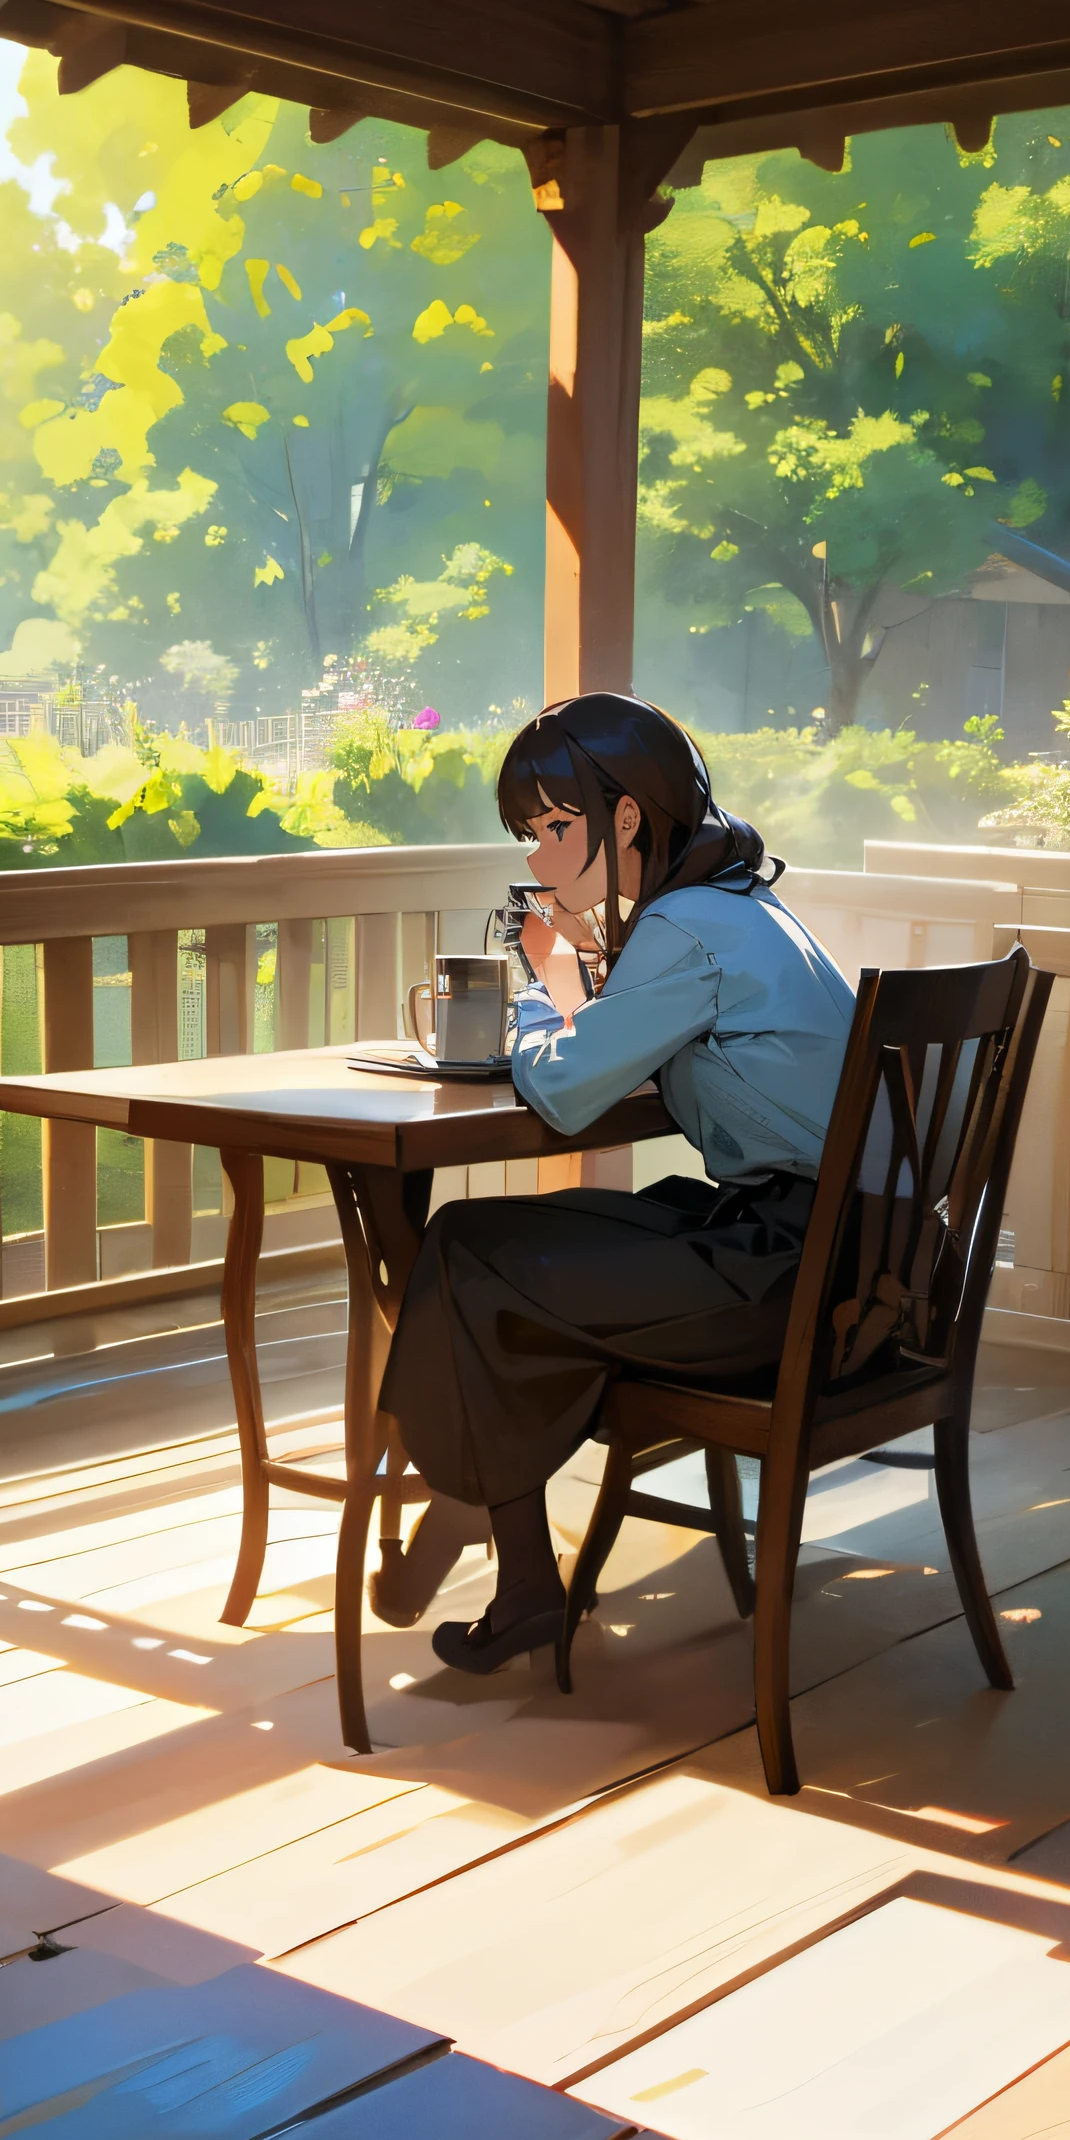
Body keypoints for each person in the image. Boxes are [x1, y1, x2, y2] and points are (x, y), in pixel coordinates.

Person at [376, 691, 856, 1677]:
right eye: (528, 833)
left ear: (626, 818)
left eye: (556, 827)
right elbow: (610, 1058)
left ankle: (479, 1521)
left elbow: (560, 1089)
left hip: (791, 1278)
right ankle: (495, 1543)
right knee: (512, 1254)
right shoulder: (739, 908)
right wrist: (580, 987)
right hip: (849, 1262)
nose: (538, 857)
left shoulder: (682, 927)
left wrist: (533, 998)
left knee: (469, 1252)